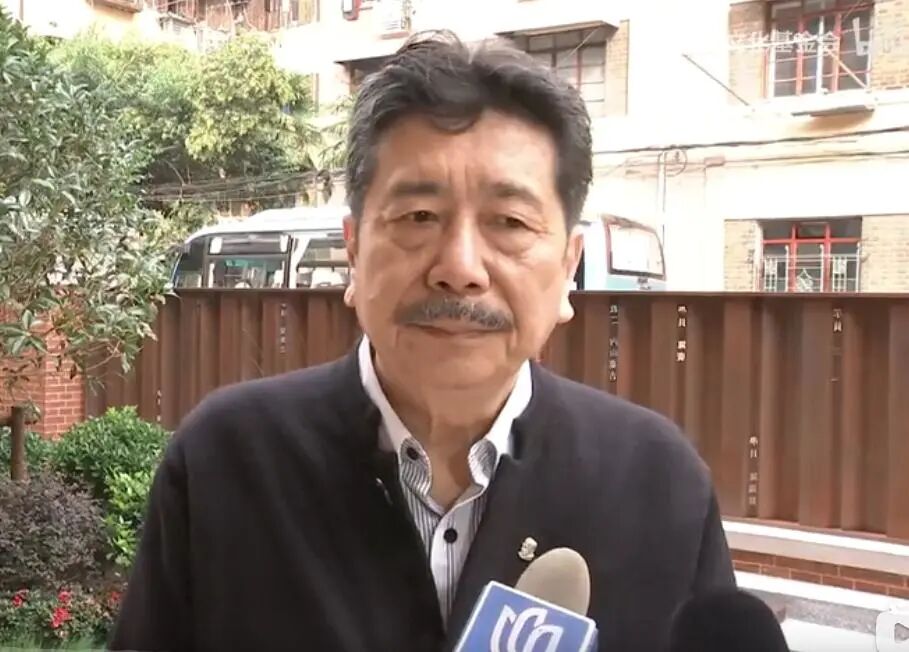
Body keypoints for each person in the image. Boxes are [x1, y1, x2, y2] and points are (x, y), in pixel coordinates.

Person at [110, 30, 735, 652]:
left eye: (510, 222)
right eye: (418, 217)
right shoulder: (228, 461)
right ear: (354, 252)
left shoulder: (657, 483)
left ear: (568, 266)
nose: (460, 267)